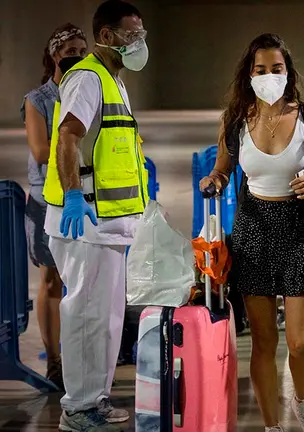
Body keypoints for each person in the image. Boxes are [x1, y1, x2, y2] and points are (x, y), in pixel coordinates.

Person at [199, 33, 304, 432]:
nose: (268, 76)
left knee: (299, 342)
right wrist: (213, 180)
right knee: (263, 341)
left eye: (276, 69)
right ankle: (271, 425)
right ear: (249, 74)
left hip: (301, 231)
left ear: (288, 73)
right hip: (253, 232)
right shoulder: (235, 120)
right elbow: (223, 170)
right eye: (260, 69)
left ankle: (302, 401)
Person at [42, 0, 148, 430]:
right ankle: (78, 408)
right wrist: (72, 197)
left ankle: (93, 401)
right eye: (132, 34)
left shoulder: (113, 80)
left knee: (104, 318)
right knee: (86, 317)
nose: (140, 42)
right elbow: (69, 137)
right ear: (107, 36)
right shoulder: (87, 78)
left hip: (107, 225)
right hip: (85, 222)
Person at [21, 23, 87, 391]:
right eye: (68, 51)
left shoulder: (91, 89)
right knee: (51, 280)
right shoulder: (39, 99)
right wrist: (72, 140)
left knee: (80, 280)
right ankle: (55, 360)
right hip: (47, 201)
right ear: (54, 56)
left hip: (82, 198)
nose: (75, 56)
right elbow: (41, 151)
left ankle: (79, 354)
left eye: (81, 49)